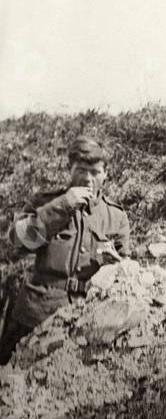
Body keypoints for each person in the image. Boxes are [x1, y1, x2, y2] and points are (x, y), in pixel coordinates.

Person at [1, 137, 129, 365]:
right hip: (34, 314)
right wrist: (62, 206)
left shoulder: (116, 217)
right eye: (81, 170)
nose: (88, 178)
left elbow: (127, 277)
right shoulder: (45, 202)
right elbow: (17, 242)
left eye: (95, 171)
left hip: (83, 321)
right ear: (70, 168)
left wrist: (117, 265)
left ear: (105, 173)